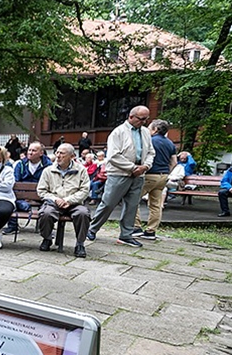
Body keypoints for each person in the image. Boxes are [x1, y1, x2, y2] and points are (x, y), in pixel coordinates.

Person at [86, 105, 155, 247]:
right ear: (131, 117)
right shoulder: (118, 132)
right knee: (108, 203)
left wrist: (145, 166)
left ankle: (126, 235)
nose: (144, 122)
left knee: (132, 205)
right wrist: (132, 167)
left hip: (139, 174)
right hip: (119, 173)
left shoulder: (145, 133)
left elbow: (150, 152)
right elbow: (113, 156)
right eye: (141, 119)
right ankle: (92, 229)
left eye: (146, 119)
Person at [36, 144, 91, 258]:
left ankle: (80, 244)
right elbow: (41, 191)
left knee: (83, 213)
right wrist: (56, 199)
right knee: (46, 213)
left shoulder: (81, 170)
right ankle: (47, 238)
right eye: (57, 153)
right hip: (53, 202)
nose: (58, 156)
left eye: (62, 153)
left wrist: (68, 200)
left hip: (74, 203)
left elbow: (84, 190)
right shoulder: (48, 170)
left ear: (72, 156)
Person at [133, 119, 177, 240]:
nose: (147, 129)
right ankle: (151, 231)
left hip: (149, 175)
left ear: (155, 129)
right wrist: (167, 172)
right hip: (163, 176)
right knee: (156, 204)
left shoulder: (150, 141)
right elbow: (174, 162)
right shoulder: (170, 143)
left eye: (149, 127)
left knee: (132, 199)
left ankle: (136, 227)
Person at [2, 141, 52, 235]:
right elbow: (15, 182)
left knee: (49, 207)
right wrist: (23, 195)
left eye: (34, 150)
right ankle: (12, 227)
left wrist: (37, 196)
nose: (30, 152)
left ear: (41, 153)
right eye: (29, 150)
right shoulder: (20, 164)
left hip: (41, 195)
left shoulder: (48, 166)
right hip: (22, 196)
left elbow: (49, 184)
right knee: (9, 202)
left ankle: (46, 230)